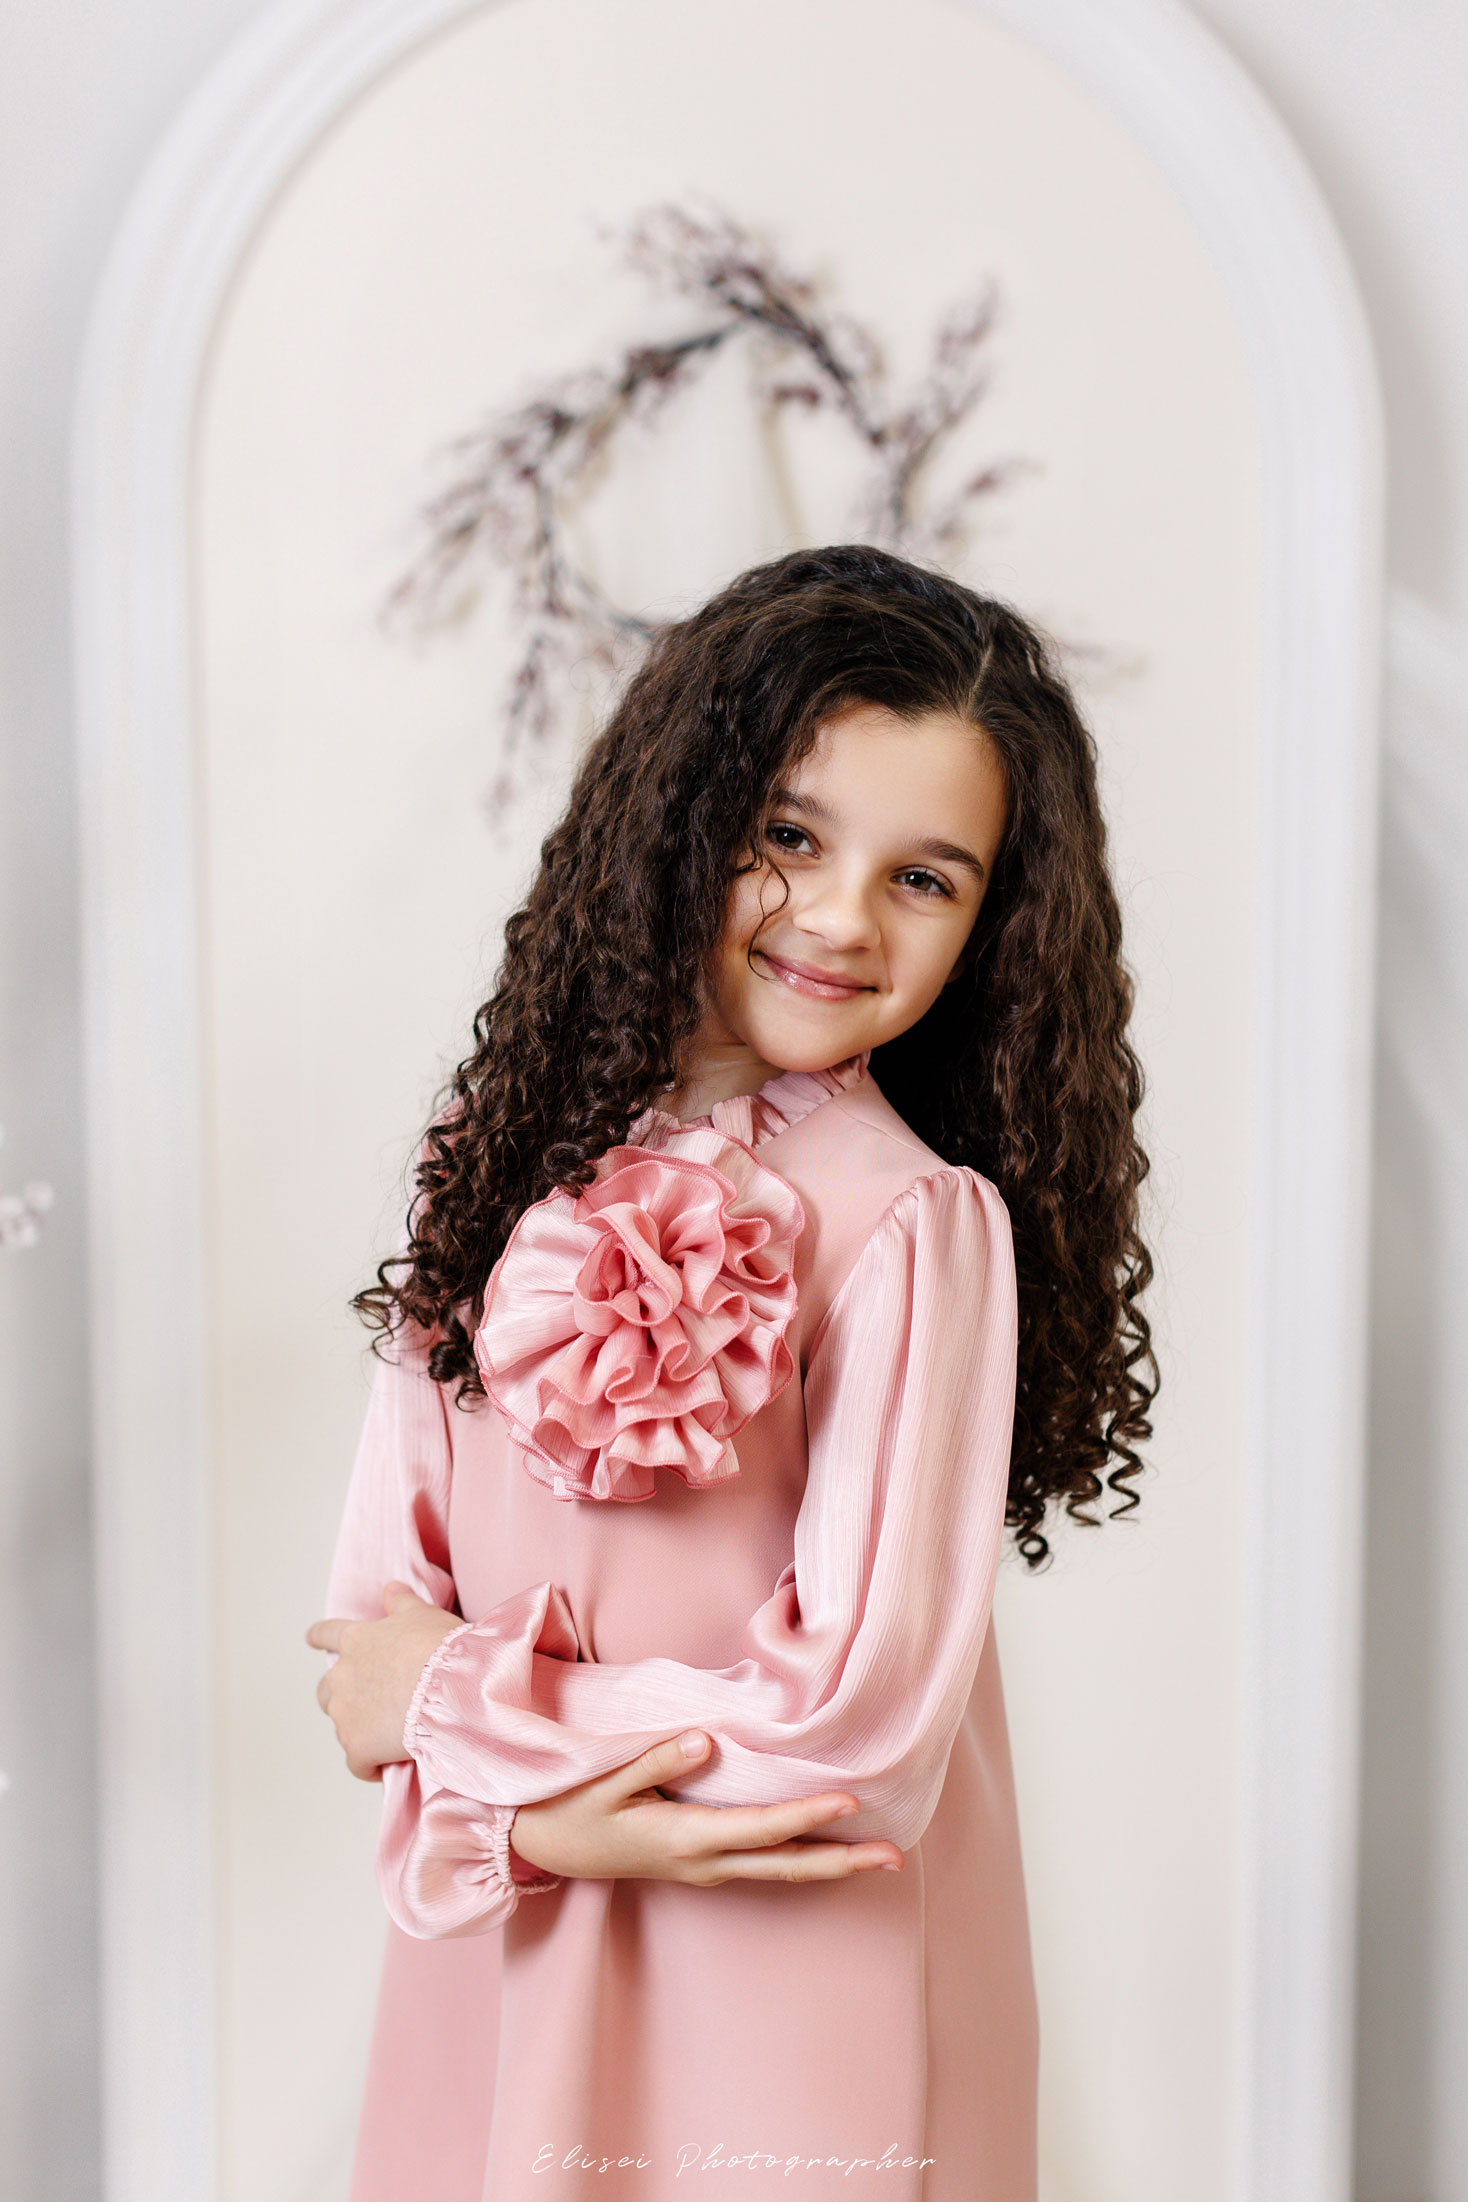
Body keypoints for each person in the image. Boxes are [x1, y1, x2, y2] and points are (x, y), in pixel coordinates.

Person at [307, 543, 1157, 2200]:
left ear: (991, 925)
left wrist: (488, 1730)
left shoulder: (910, 1222)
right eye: (790, 835)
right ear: (684, 817)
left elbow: (851, 1730)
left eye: (927, 878)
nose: (841, 916)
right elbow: (371, 1640)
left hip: (789, 1966)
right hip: (507, 1918)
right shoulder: (482, 1155)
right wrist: (521, 1813)